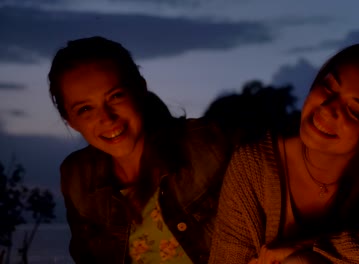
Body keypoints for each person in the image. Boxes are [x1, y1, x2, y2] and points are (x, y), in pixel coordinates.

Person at [209, 42, 359, 263]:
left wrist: (313, 247)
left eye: (355, 112)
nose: (328, 108)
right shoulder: (254, 165)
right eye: (328, 88)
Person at [48, 36, 235, 263]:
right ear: (70, 120)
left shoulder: (208, 144)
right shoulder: (77, 177)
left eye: (115, 96)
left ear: (140, 90)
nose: (107, 118)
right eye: (86, 108)